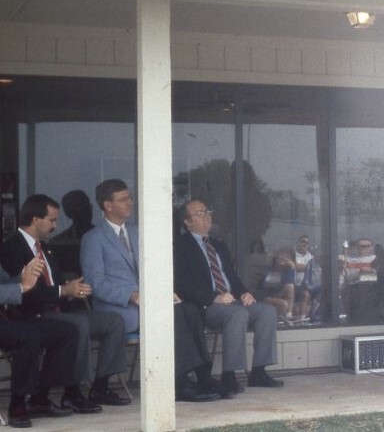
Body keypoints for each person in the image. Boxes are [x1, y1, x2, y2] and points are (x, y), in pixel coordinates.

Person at [80, 179, 225, 402]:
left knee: (190, 308)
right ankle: (179, 383)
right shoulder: (93, 238)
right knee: (173, 315)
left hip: (149, 303)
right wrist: (131, 295)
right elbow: (95, 283)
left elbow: (154, 269)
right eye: (124, 199)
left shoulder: (138, 233)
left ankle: (203, 375)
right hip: (118, 308)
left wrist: (164, 290)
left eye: (130, 197)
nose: (130, 203)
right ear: (108, 205)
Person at [0, 194, 128, 412]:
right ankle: (71, 392)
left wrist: (72, 290)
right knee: (77, 326)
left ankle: (101, 385)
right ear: (35, 219)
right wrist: (62, 290)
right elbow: (23, 292)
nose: (55, 225)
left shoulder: (46, 248)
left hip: (58, 309)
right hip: (33, 314)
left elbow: (56, 284)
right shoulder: (11, 248)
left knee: (114, 321)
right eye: (51, 220)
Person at [174, 198, 283, 394]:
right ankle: (229, 375)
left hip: (231, 301)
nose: (207, 216)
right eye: (200, 213)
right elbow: (182, 285)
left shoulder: (219, 245)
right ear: (187, 222)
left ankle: (258, 372)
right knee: (237, 315)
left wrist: (244, 293)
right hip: (206, 306)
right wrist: (213, 298)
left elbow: (231, 276)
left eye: (207, 211)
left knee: (267, 311)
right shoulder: (180, 246)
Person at [0, 258, 80, 427]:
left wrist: (22, 277)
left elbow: (6, 282)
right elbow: (14, 289)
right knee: (28, 335)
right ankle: (18, 403)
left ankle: (40, 398)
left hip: (7, 319)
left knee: (66, 331)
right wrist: (21, 287)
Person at [258, 247, 297, 320]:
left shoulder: (286, 271)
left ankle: (288, 315)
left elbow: (290, 285)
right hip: (265, 297)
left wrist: (292, 268)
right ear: (277, 256)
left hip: (277, 295)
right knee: (284, 304)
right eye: (282, 255)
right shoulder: (270, 269)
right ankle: (277, 319)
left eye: (287, 257)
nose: (284, 258)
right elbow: (268, 286)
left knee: (290, 287)